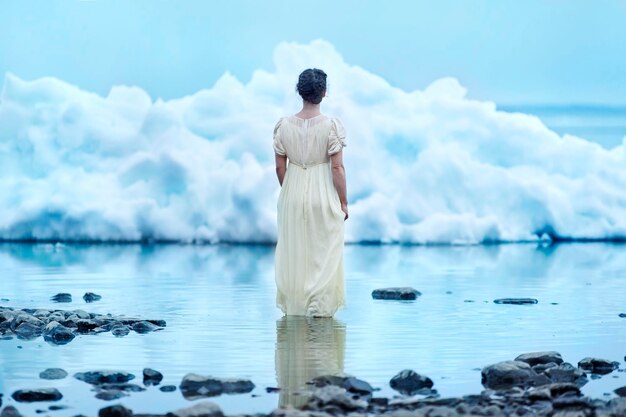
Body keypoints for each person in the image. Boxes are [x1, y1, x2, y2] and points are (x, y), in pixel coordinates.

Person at [273, 68, 348, 317]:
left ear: (299, 91)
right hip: (322, 189)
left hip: (292, 191)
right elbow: (337, 167)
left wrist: (292, 190)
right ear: (324, 93)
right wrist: (344, 201)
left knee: (295, 250)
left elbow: (279, 166)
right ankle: (318, 308)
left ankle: (297, 307)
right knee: (323, 250)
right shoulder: (331, 126)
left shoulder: (283, 126)